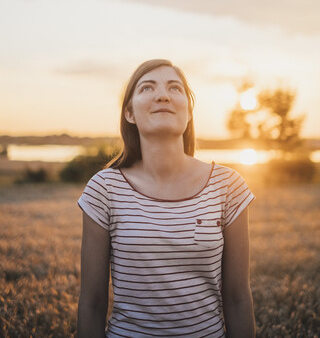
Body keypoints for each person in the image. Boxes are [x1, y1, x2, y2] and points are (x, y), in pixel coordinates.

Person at [76, 58, 256, 338]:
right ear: (129, 113)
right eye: (147, 88)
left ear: (189, 111)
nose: (162, 95)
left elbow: (237, 298)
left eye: (175, 88)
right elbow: (92, 303)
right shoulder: (105, 188)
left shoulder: (228, 185)